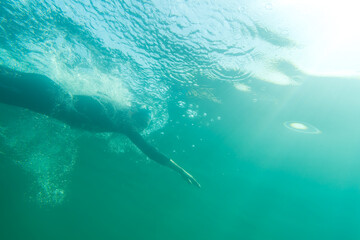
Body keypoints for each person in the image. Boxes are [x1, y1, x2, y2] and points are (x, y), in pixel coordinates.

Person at [0, 65, 200, 188]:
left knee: (7, 74)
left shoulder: (115, 108)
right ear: (133, 114)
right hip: (47, 98)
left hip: (47, 88)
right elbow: (149, 150)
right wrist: (181, 170)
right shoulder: (123, 123)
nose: (139, 130)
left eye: (142, 127)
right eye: (141, 125)